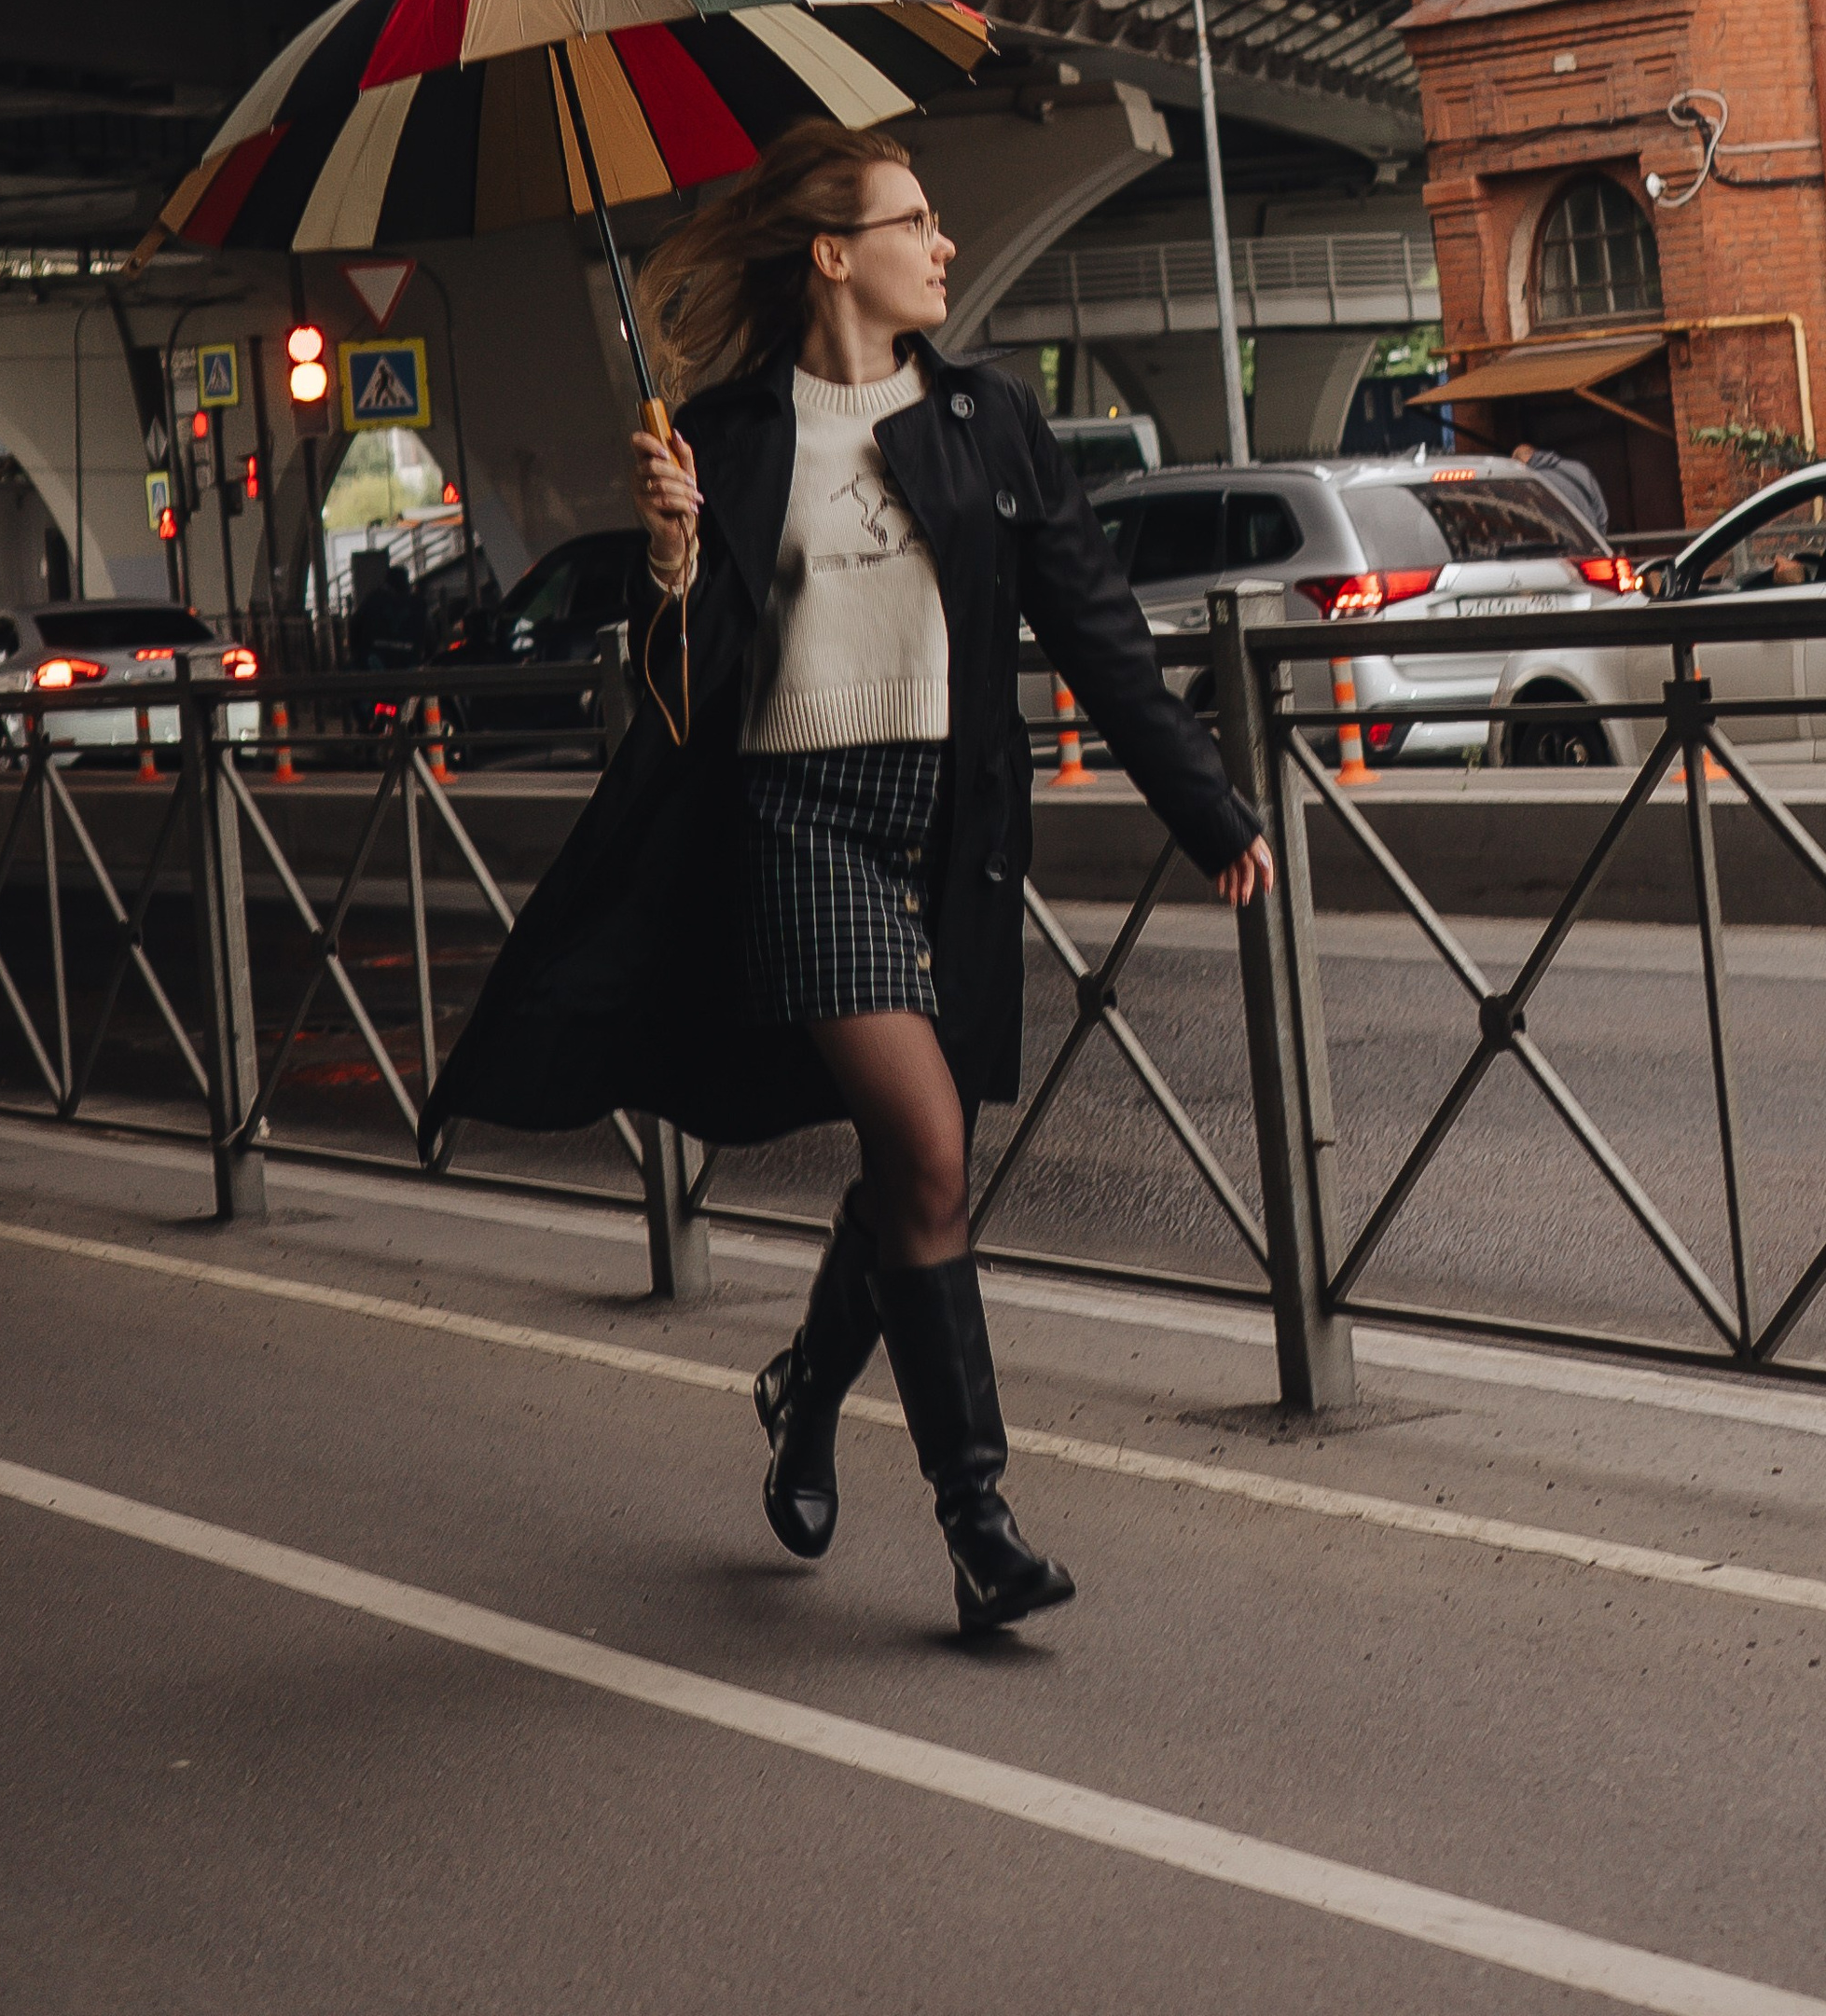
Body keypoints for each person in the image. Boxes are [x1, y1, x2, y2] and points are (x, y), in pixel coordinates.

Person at [420, 120, 1272, 1635]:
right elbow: (682, 701)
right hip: (795, 821)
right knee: (930, 1151)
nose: (944, 245)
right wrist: (670, 562)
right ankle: (980, 1524)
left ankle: (804, 1387)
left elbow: (1097, 632)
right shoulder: (726, 437)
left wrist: (1208, 809)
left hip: (946, 832)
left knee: (907, 1169)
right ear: (834, 252)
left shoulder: (992, 422)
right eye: (916, 220)